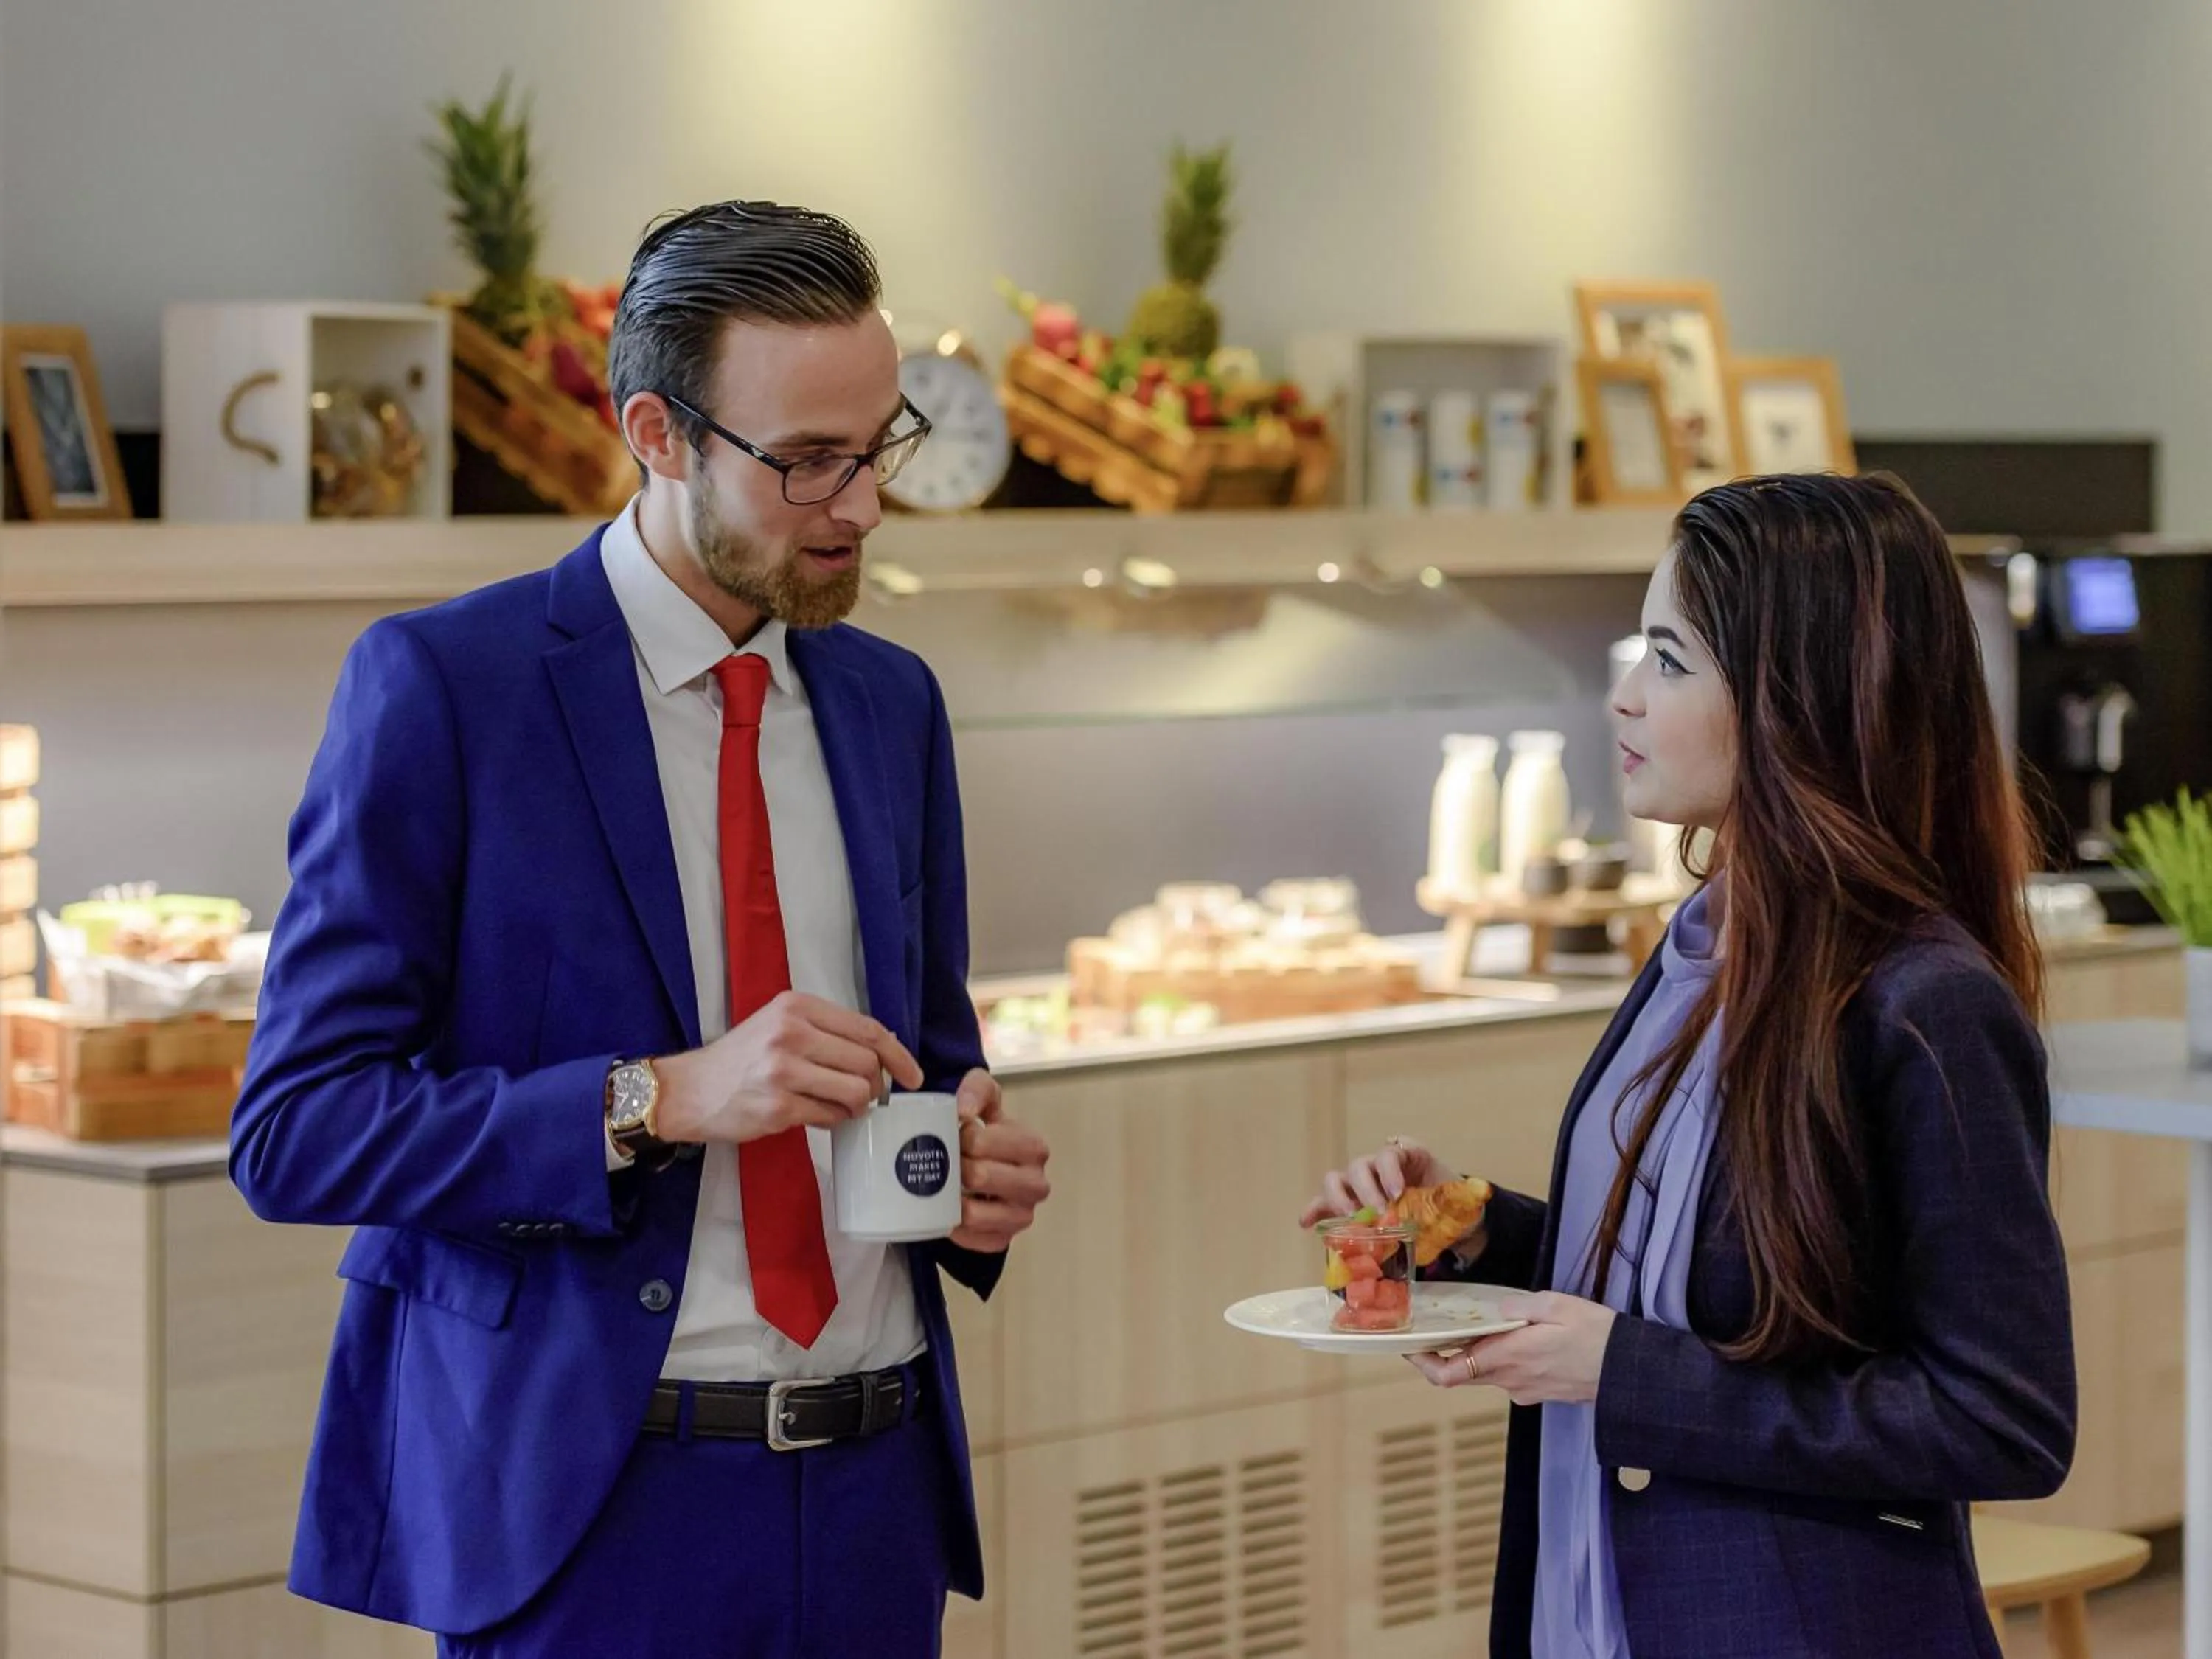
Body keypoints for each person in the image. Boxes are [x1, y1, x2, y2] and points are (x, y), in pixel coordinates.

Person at [232, 200, 1051, 1658]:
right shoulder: (445, 690)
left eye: (882, 446)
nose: (863, 506)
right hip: (588, 1520)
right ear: (656, 435)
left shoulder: (890, 705)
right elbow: (297, 1129)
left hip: (876, 1502)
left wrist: (966, 1167)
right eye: (806, 462)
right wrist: (658, 1100)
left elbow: (925, 1065)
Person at [1301, 473, 2075, 1659]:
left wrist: (1627, 1373)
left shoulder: (1928, 1006)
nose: (1621, 698)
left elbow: (2000, 1418)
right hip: (1596, 1610)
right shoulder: (1699, 948)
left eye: (1667, 660)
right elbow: (1713, 1275)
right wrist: (1484, 1235)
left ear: (1795, 696)